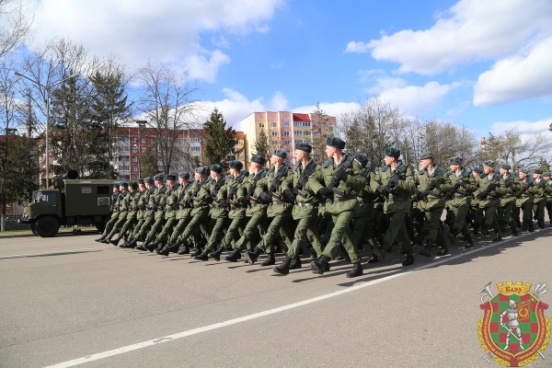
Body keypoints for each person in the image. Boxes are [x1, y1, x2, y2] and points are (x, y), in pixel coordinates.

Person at [308, 137, 366, 278]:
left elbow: (362, 182)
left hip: (348, 203)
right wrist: (320, 189)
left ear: (334, 149)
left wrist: (347, 177)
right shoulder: (327, 165)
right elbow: (312, 179)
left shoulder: (352, 164)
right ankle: (357, 264)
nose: (326, 151)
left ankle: (324, 259)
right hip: (333, 205)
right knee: (345, 236)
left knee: (337, 231)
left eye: (327, 148)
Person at [273, 144, 324, 275]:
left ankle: (287, 262)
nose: (295, 155)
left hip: (310, 208)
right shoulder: (297, 170)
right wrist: (287, 190)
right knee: (312, 236)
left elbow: (317, 188)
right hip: (299, 209)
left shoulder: (317, 170)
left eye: (297, 152)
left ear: (305, 154)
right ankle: (324, 259)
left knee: (299, 234)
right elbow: (285, 182)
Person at [245, 149, 294, 266]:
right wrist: (262, 193)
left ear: (277, 159)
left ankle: (256, 252)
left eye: (272, 157)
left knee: (272, 230)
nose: (270, 159)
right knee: (285, 235)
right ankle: (295, 258)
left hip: (283, 207)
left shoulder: (289, 173)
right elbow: (259, 185)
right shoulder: (270, 173)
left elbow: (287, 188)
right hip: (273, 208)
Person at [370, 146, 416, 266]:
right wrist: (379, 188)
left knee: (394, 225)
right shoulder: (383, 170)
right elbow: (373, 181)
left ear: (392, 158)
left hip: (402, 203)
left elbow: (411, 187)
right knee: (400, 229)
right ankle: (410, 254)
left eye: (386, 157)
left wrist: (398, 182)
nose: (384, 159)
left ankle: (383, 249)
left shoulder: (406, 169)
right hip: (389, 204)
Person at [225, 155, 269, 262]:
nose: (250, 165)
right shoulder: (250, 177)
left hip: (261, 207)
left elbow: (268, 191)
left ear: (256, 165)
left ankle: (236, 251)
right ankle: (270, 255)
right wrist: (241, 197)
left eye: (251, 163)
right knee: (264, 231)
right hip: (252, 208)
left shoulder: (265, 176)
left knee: (249, 229)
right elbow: (242, 189)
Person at [414, 152, 449, 257]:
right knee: (435, 225)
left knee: (433, 224)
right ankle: (443, 246)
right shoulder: (420, 174)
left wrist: (438, 185)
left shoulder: (442, 172)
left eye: (422, 161)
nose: (421, 163)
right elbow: (414, 185)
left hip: (437, 202)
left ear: (429, 160)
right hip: (426, 203)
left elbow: (449, 187)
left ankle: (428, 246)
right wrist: (417, 192)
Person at [444, 157, 476, 248]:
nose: (450, 166)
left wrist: (465, 185)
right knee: (460, 221)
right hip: (453, 200)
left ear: (458, 165)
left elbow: (474, 187)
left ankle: (453, 234)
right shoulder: (449, 175)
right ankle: (469, 240)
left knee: (460, 218)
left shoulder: (467, 174)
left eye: (452, 165)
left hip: (464, 199)